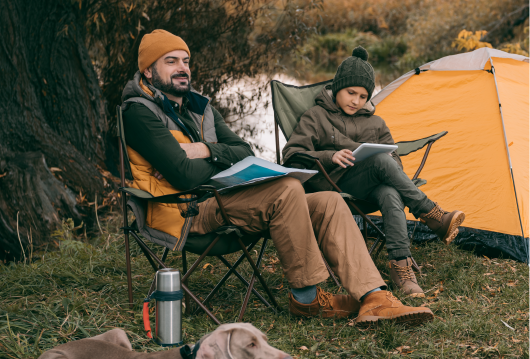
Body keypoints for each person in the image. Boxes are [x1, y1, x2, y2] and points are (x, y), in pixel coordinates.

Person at [121, 29, 434, 326]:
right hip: (184, 210)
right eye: (170, 61)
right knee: (286, 187)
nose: (182, 69)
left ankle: (374, 298)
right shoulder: (138, 112)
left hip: (227, 200)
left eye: (186, 61)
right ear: (148, 71)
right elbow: (184, 176)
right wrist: (211, 158)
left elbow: (243, 151)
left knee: (328, 201)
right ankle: (307, 298)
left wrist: (202, 149)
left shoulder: (200, 108)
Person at [282, 46, 466, 298]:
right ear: (338, 88)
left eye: (363, 96)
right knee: (381, 162)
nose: (356, 101)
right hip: (331, 184)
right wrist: (329, 155)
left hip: (367, 183)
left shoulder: (376, 122)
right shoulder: (316, 116)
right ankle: (431, 213)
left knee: (390, 191)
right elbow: (292, 154)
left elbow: (394, 161)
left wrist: (389, 161)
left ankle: (400, 267)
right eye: (351, 93)